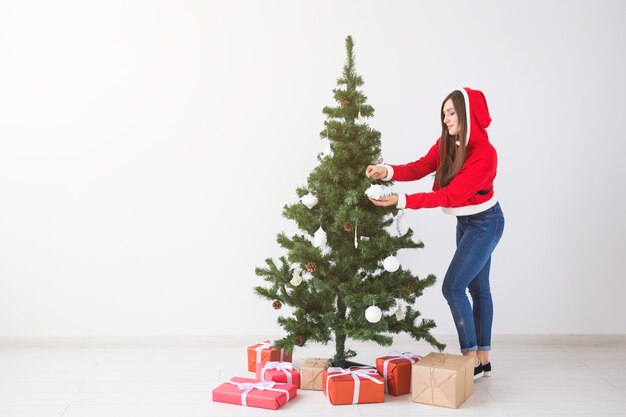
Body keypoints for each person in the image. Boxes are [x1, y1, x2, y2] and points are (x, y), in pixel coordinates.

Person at [365, 87, 504, 380]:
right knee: (476, 290)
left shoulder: (485, 155)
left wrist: (401, 200)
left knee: (453, 287)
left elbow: (450, 196)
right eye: (444, 113)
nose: (446, 118)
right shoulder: (448, 143)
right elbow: (421, 167)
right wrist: (386, 171)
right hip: (466, 223)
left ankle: (472, 360)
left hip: (486, 222)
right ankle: (483, 359)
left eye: (452, 112)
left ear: (468, 114)